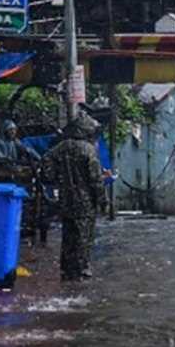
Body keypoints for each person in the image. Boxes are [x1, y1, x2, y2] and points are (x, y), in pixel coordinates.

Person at [41, 113, 107, 280]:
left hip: (66, 200)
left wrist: (53, 177)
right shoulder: (88, 150)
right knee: (83, 238)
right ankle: (81, 270)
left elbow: (46, 159)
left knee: (68, 237)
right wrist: (103, 200)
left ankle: (66, 271)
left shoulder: (62, 147)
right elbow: (96, 180)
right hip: (84, 204)